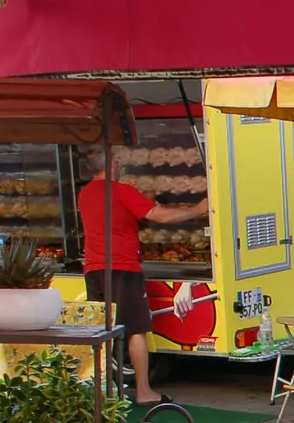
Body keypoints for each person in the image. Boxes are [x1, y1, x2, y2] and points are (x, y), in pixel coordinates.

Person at [76, 157, 208, 405]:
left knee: (104, 329)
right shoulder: (120, 191)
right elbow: (159, 216)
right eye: (115, 162)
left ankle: (106, 389)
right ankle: (144, 391)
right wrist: (198, 210)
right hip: (122, 268)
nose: (119, 166)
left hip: (94, 268)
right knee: (136, 328)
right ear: (108, 166)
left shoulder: (85, 194)